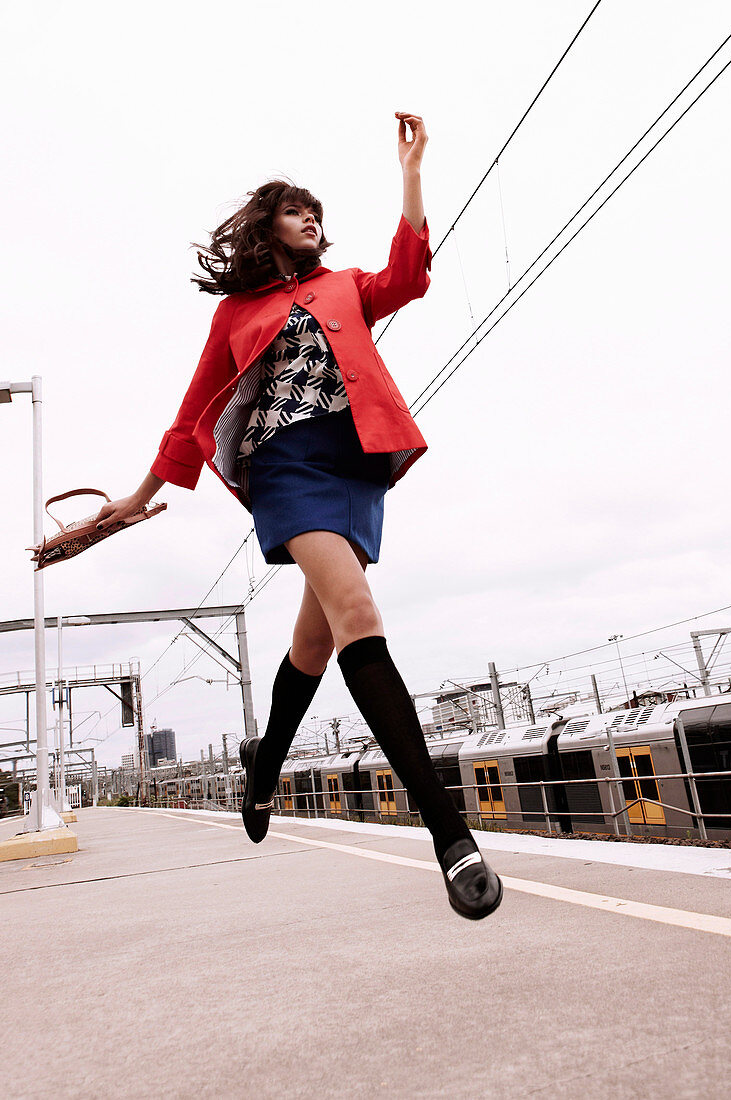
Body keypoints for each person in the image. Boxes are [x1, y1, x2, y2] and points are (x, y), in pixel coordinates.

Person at [95, 112, 502, 920]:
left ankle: (262, 764)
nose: (310, 219)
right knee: (357, 611)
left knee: (314, 640)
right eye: (295, 210)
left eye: (315, 210)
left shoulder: (343, 285)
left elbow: (408, 276)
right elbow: (191, 415)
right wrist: (137, 498)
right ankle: (452, 839)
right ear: (265, 228)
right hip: (285, 468)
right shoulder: (235, 315)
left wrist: (412, 174)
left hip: (354, 467)